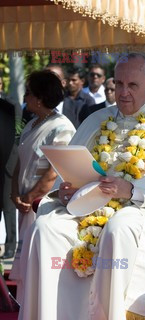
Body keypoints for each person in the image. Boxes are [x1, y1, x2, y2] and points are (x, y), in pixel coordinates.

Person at [14, 53, 145, 320]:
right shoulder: (95, 120)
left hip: (141, 208)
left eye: (132, 85)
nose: (123, 92)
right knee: (47, 227)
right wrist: (63, 190)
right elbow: (69, 170)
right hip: (86, 207)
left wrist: (129, 189)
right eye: (119, 84)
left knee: (119, 229)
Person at [9, 70, 76, 279]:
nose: (25, 97)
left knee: (39, 267)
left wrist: (30, 198)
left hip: (44, 205)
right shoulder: (31, 125)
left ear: (39, 98)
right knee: (26, 268)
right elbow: (20, 160)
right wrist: (15, 194)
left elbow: (54, 171)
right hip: (25, 203)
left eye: (28, 92)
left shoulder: (61, 127)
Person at [0, 96, 17, 259]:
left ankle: (11, 245)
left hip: (7, 164)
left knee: (8, 208)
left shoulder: (9, 106)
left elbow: (14, 134)